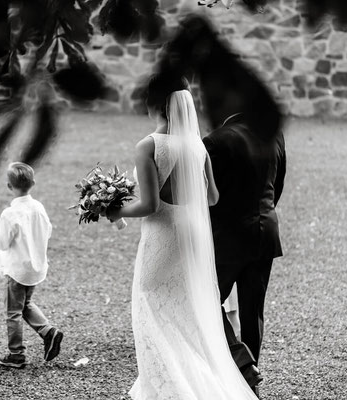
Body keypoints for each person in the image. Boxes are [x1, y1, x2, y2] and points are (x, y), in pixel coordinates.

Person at [106, 75, 258, 399]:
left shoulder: (148, 145)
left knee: (151, 305)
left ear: (154, 104)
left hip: (162, 237)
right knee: (183, 311)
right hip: (191, 235)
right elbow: (213, 197)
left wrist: (115, 211)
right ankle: (190, 381)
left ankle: (168, 387)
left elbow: (149, 205)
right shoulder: (197, 145)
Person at [203, 91, 286, 395]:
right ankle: (250, 382)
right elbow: (277, 186)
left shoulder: (214, 141)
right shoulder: (273, 135)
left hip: (229, 237)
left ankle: (242, 363)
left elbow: (207, 198)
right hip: (266, 231)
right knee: (253, 312)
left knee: (206, 300)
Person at [0, 162, 63, 369]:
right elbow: (47, 231)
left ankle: (16, 354)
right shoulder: (38, 207)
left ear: (8, 186)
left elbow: (2, 243)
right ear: (33, 183)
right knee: (25, 304)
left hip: (17, 269)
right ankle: (48, 332)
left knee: (13, 311)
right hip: (36, 266)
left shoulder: (10, 214)